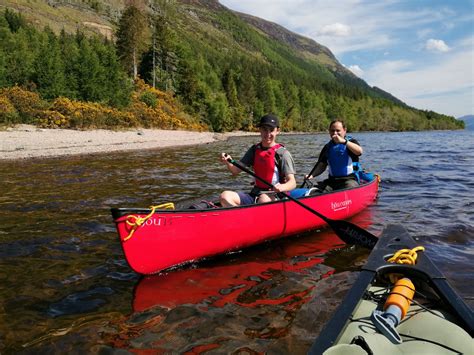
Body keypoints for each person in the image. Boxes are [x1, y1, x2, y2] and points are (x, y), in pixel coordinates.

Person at [219, 114, 296, 207]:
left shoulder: (283, 154)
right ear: (260, 130)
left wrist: (282, 187)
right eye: (264, 130)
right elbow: (235, 171)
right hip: (255, 194)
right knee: (224, 196)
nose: (268, 134)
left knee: (263, 199)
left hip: (275, 195)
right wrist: (228, 161)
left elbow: (292, 183)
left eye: (271, 130)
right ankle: (241, 216)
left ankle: (246, 216)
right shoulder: (254, 150)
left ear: (277, 131)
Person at [306, 119, 363, 192]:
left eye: (338, 130)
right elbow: (321, 166)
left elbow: (359, 151)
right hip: (332, 181)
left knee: (349, 188)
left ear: (344, 130)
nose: (335, 133)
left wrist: (344, 142)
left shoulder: (351, 142)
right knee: (314, 190)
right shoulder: (327, 147)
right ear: (329, 131)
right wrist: (311, 175)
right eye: (332, 131)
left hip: (349, 180)